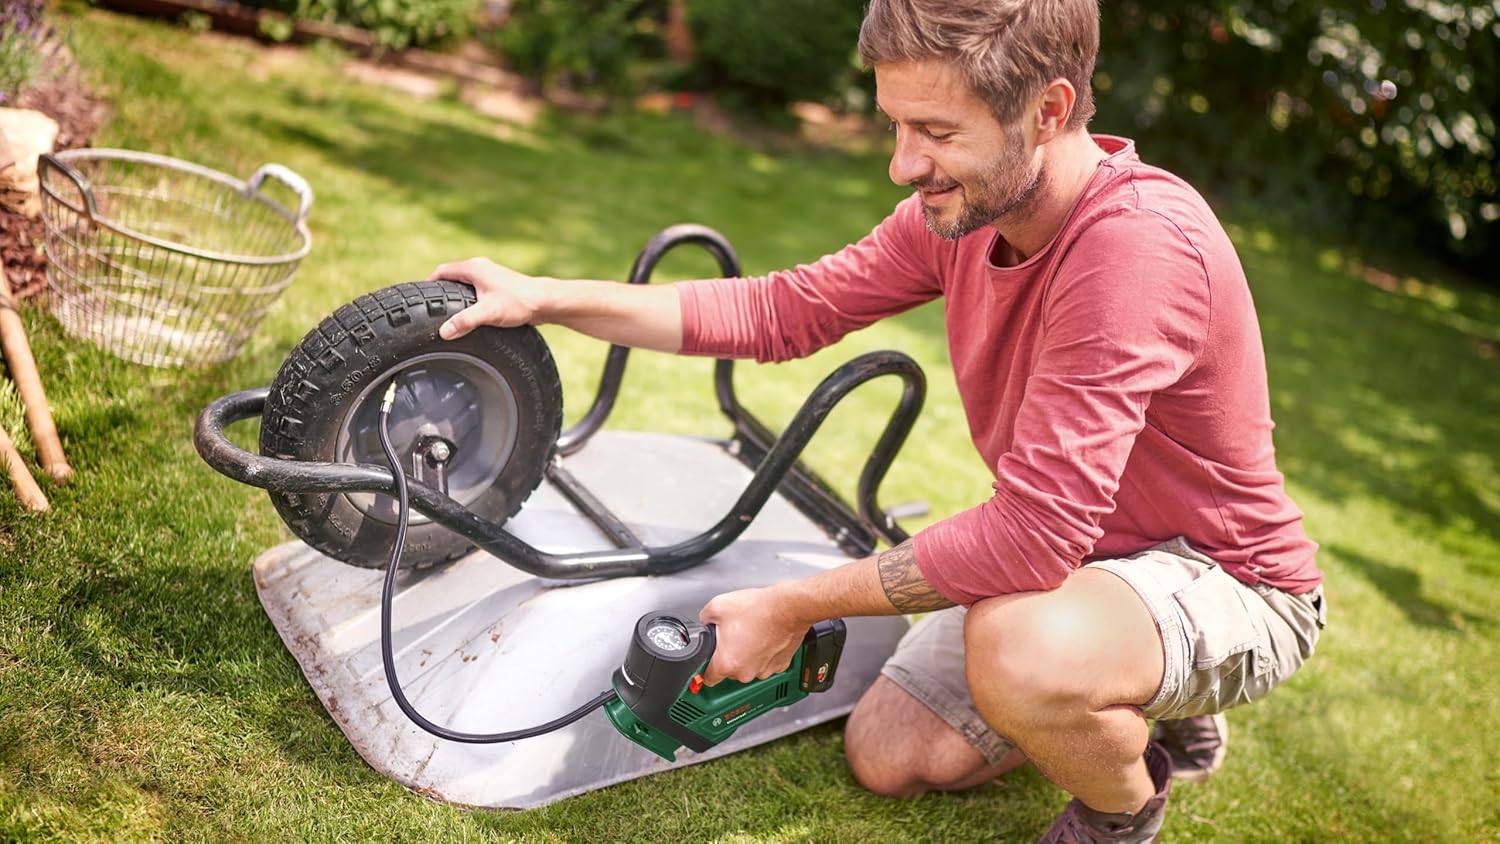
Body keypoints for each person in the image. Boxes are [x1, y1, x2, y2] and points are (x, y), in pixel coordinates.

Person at [430, 0, 1326, 839]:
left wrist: (791, 605)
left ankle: (1123, 810)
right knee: (889, 755)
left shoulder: (1134, 249)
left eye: (936, 132)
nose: (902, 164)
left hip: (1225, 574)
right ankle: (1145, 694)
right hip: (1086, 563)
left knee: (1018, 651)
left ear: (1048, 111)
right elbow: (781, 313)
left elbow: (1029, 543)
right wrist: (544, 297)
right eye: (897, 124)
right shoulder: (971, 212)